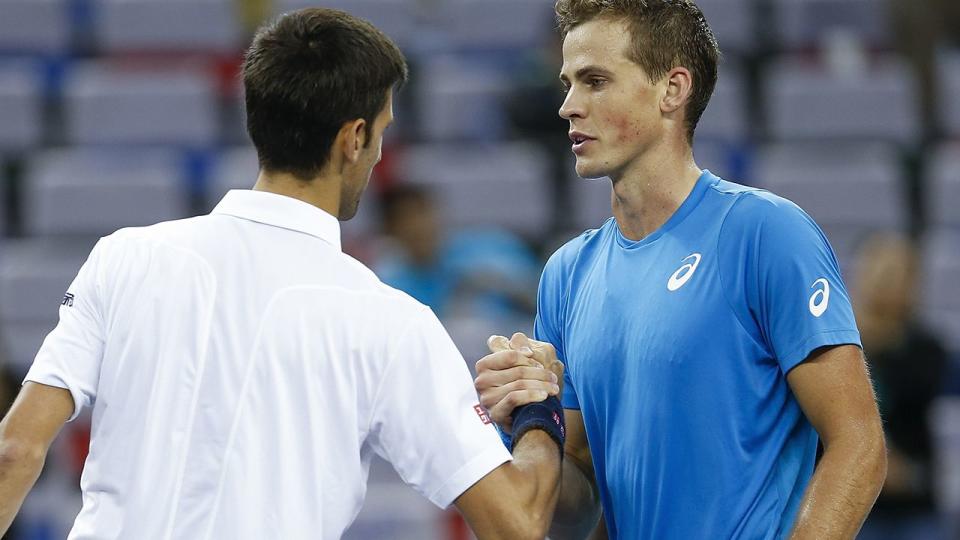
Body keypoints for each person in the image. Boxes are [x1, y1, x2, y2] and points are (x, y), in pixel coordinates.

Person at [0, 9, 565, 539]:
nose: (379, 152)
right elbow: (516, 522)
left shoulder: (124, 257)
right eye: (382, 132)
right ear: (354, 139)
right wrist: (539, 410)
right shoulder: (391, 322)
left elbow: (15, 451)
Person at [474, 1, 887, 539]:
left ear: (673, 89)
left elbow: (859, 443)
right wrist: (532, 419)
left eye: (596, 81)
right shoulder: (565, 275)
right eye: (569, 83)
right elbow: (576, 507)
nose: (569, 106)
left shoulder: (765, 233)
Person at [853, 233, 948, 540]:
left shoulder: (926, 346)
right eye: (885, 274)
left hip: (914, 499)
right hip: (859, 500)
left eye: (903, 275)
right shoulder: (843, 344)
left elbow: (915, 391)